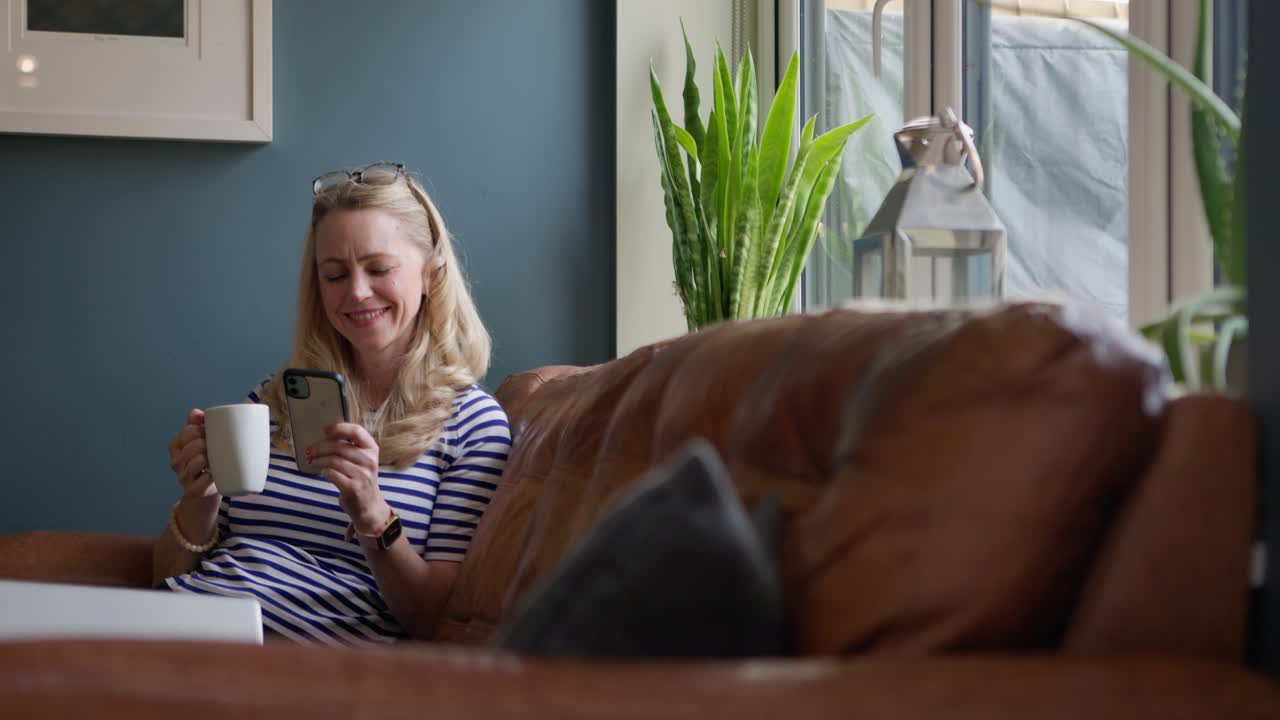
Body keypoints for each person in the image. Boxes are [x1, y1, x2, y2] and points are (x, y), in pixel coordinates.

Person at [153, 162, 512, 646]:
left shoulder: (474, 426)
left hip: (304, 660)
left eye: (379, 269)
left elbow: (435, 620)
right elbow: (166, 578)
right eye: (335, 274)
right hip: (188, 627)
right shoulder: (273, 400)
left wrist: (373, 516)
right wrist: (201, 499)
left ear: (431, 276)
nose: (357, 292)